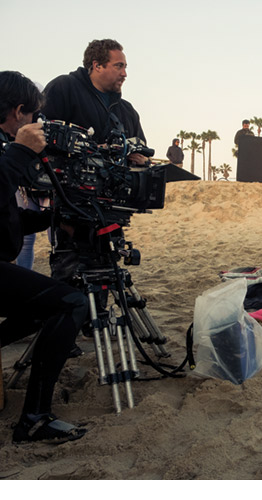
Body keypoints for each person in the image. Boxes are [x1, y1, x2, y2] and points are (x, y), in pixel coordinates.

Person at [0, 71, 89, 443]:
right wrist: (21, 151)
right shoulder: (10, 151)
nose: (38, 123)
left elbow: (8, 217)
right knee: (70, 304)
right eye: (34, 115)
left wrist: (55, 217)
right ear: (20, 112)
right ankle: (34, 418)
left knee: (47, 305)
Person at [42, 39, 147, 166]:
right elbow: (40, 135)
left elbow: (143, 152)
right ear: (97, 66)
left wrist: (143, 161)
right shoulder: (64, 88)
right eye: (118, 66)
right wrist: (93, 150)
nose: (124, 74)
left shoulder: (128, 111)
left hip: (116, 185)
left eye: (125, 67)